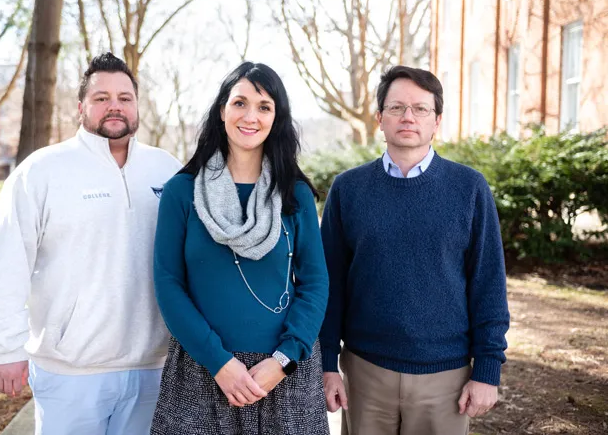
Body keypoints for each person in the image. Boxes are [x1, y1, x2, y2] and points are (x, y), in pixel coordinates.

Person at [0, 52, 182, 435]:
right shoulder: (42, 171)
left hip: (154, 365)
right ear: (81, 107)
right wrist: (5, 346)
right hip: (71, 371)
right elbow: (9, 259)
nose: (114, 106)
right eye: (102, 98)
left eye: (125, 97)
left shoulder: (167, 169)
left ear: (137, 106)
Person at [319, 65, 510, 435]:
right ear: (379, 118)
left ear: (436, 120)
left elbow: (488, 284)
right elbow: (329, 286)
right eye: (397, 108)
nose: (409, 117)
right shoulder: (348, 189)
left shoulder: (469, 188)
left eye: (421, 109)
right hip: (364, 372)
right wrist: (327, 363)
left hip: (446, 379)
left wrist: (488, 370)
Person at [150, 62, 330, 434]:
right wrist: (218, 362)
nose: (251, 116)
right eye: (240, 103)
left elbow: (314, 284)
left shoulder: (294, 195)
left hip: (284, 373)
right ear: (222, 111)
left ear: (277, 118)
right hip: (202, 370)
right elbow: (168, 284)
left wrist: (283, 361)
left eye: (264, 106)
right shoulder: (182, 192)